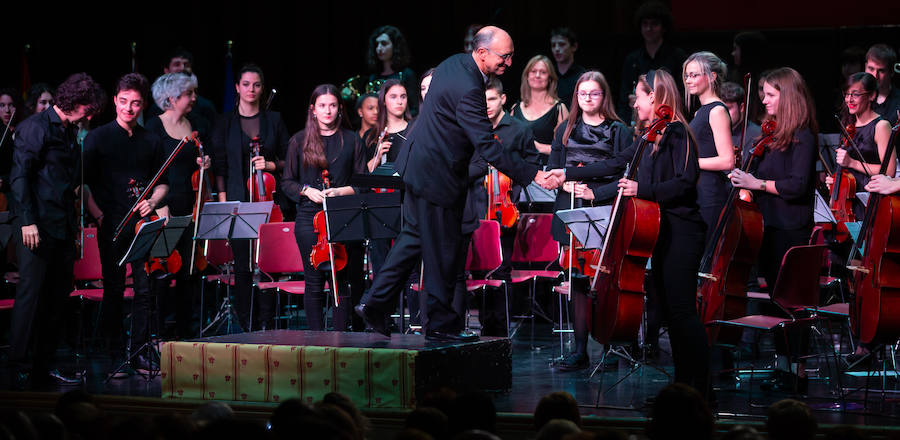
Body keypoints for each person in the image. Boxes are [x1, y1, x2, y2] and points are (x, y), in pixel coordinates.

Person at [356, 26, 546, 342]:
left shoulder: (452, 63)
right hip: (436, 175)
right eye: (505, 56)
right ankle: (441, 324)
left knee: (413, 239)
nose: (509, 63)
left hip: (417, 167)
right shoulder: (469, 88)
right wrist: (533, 174)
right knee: (443, 250)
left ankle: (375, 304)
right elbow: (487, 145)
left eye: (511, 56)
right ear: (482, 53)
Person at [546, 69, 710, 396]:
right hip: (661, 233)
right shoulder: (649, 136)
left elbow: (685, 181)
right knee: (670, 314)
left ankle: (702, 390)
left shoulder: (677, 132)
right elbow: (611, 165)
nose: (635, 104)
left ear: (656, 96)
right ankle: (682, 390)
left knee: (682, 314)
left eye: (640, 96)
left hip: (683, 233)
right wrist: (564, 172)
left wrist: (641, 188)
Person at [8, 73, 105, 389]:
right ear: (76, 103)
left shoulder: (70, 132)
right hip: (36, 227)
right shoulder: (35, 128)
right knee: (30, 297)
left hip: (62, 228)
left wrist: (75, 227)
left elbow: (69, 186)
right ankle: (18, 365)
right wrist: (27, 221)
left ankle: (42, 365)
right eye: (88, 108)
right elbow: (20, 178)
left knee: (56, 301)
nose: (90, 115)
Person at [729, 67, 818, 391]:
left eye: (770, 94)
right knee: (775, 301)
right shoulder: (773, 136)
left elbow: (796, 185)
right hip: (769, 228)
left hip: (792, 230)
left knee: (793, 301)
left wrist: (757, 182)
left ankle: (799, 372)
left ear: (788, 96)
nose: (763, 100)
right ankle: (782, 367)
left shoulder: (803, 136)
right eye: (763, 94)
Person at [548, 71, 631, 370]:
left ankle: (610, 346)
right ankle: (580, 350)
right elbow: (553, 170)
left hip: (604, 206)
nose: (587, 98)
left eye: (594, 93)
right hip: (570, 206)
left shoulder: (619, 130)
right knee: (577, 282)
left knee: (606, 281)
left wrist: (596, 192)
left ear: (603, 96)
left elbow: (625, 173)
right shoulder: (565, 129)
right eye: (582, 93)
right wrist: (564, 184)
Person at [84, 73, 167, 372]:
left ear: (143, 105)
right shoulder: (98, 137)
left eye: (135, 103)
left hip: (142, 224)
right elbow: (83, 185)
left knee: (145, 290)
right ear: (115, 100)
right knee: (115, 289)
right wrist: (99, 215)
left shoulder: (151, 140)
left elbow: (162, 183)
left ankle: (140, 351)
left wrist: (153, 201)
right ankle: (115, 354)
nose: (128, 109)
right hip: (111, 223)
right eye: (123, 102)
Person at [210, 64, 290, 331]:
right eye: (246, 84)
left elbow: (288, 160)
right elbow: (220, 165)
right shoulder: (224, 122)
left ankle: (268, 321)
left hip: (267, 199)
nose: (251, 90)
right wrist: (223, 202)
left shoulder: (274, 120)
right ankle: (248, 323)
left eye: (256, 85)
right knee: (243, 264)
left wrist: (269, 166)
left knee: (267, 262)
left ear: (262, 88)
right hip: (237, 198)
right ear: (237, 87)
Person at [282, 84, 366, 331]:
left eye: (332, 105)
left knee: (340, 280)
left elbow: (363, 184)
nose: (327, 110)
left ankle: (341, 339)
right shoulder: (299, 141)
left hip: (343, 215)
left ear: (340, 109)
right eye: (322, 106)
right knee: (314, 281)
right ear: (313, 110)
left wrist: (339, 191)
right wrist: (307, 190)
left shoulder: (352, 140)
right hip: (310, 217)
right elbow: (287, 181)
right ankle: (316, 341)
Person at [145, 71, 212, 340]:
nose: (194, 98)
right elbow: (148, 170)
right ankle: (159, 337)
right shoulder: (152, 127)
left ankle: (187, 338)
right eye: (189, 94)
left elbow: (198, 164)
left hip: (191, 208)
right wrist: (157, 203)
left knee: (189, 275)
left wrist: (205, 163)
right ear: (171, 99)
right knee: (161, 278)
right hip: (163, 209)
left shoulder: (194, 125)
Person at [683, 51, 735, 239]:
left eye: (694, 75)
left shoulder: (717, 111)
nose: (688, 80)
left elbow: (728, 161)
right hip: (698, 190)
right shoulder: (700, 113)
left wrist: (690, 162)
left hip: (710, 193)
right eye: (687, 75)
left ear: (712, 76)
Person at [832, 72, 895, 219]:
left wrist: (852, 163)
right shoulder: (849, 124)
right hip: (847, 204)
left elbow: (889, 172)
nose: (849, 99)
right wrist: (836, 180)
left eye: (855, 95)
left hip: (868, 203)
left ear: (871, 96)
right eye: (847, 94)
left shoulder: (881, 126)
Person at [618, 1, 687, 126]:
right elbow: (624, 98)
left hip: (670, 121)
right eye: (645, 24)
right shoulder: (632, 59)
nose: (649, 28)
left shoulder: (677, 56)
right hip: (638, 122)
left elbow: (682, 94)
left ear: (663, 27)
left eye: (654, 24)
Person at [510, 55, 568, 165]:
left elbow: (568, 150)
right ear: (527, 75)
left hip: (547, 172)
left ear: (550, 78)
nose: (537, 75)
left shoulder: (559, 109)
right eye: (533, 71)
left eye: (543, 72)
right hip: (518, 172)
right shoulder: (515, 108)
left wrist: (540, 147)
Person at [146, 47, 218, 132]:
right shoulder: (155, 110)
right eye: (177, 64)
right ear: (166, 71)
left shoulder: (206, 107)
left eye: (186, 65)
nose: (182, 68)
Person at [367, 25, 419, 116]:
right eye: (377, 44)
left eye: (384, 44)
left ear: (395, 46)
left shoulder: (406, 74)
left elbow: (415, 108)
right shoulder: (373, 77)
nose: (379, 48)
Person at [364, 79, 411, 171]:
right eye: (393, 97)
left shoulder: (415, 131)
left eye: (403, 96)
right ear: (384, 101)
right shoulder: (371, 136)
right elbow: (362, 175)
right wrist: (377, 158)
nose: (399, 101)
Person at [720, 81, 761, 161]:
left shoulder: (757, 135)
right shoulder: (716, 132)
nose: (723, 113)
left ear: (741, 107)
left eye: (728, 108)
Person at [550, 28, 586, 109]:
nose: (557, 49)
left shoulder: (582, 75)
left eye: (561, 44)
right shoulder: (548, 75)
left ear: (574, 47)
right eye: (553, 45)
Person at [865, 44, 900, 125]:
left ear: (891, 72)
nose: (875, 75)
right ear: (865, 67)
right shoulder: (856, 98)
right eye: (871, 69)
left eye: (881, 71)